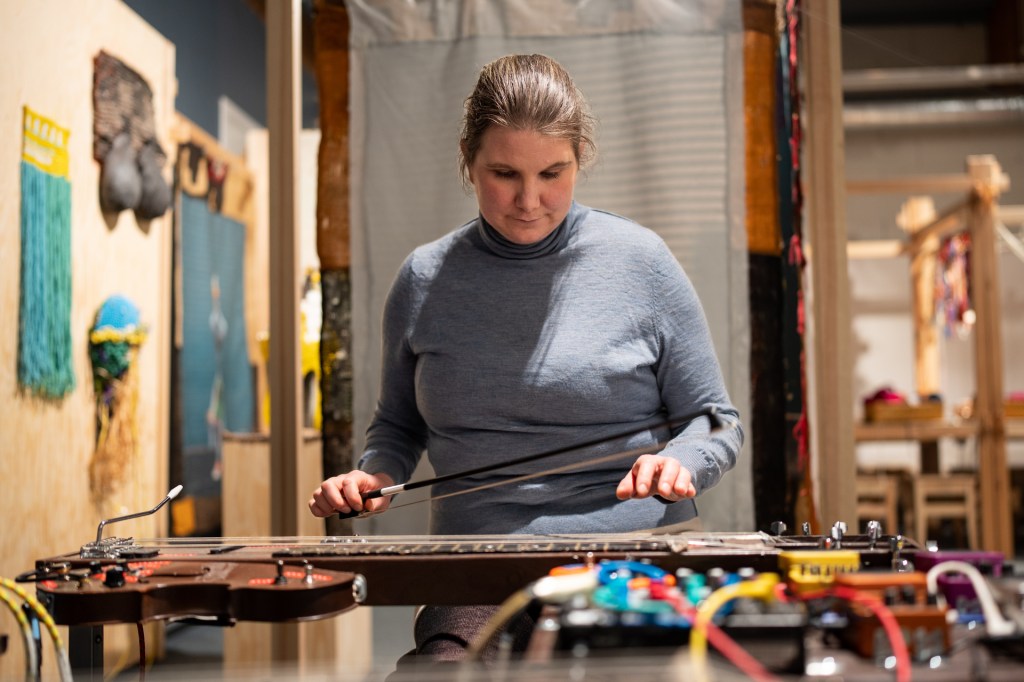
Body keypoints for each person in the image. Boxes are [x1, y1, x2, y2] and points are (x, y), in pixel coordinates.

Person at [310, 53, 743, 662]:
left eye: (553, 173)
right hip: (479, 567)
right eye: (504, 173)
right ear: (468, 160)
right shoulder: (424, 279)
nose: (529, 200)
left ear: (580, 158)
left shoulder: (642, 262)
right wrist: (375, 476)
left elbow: (716, 421)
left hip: (632, 562)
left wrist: (682, 461)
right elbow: (399, 426)